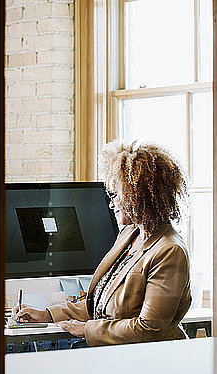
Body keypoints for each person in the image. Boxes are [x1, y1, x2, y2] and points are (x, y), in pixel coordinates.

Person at [13, 141, 192, 346]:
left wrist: (87, 329)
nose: (110, 203)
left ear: (138, 196)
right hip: (113, 358)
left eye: (116, 195)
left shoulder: (169, 250)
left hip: (146, 363)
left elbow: (149, 329)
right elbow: (99, 303)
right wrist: (46, 315)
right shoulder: (129, 234)